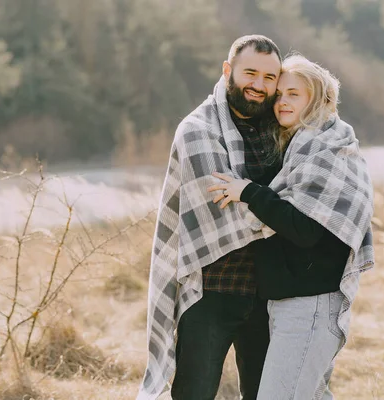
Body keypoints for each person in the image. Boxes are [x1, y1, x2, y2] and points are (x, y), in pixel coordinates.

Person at [208, 54, 375, 399]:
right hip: (293, 305)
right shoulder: (300, 146)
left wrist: (249, 193)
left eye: (294, 94)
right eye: (279, 94)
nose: (282, 101)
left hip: (310, 308)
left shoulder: (325, 148)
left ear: (319, 99)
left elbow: (305, 229)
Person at [137, 35, 284, 400]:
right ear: (227, 70)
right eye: (250, 73)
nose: (259, 86)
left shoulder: (284, 130)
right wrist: (289, 213)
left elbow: (306, 188)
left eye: (270, 77)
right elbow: (228, 210)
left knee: (269, 394)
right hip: (211, 291)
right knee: (193, 393)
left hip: (271, 291)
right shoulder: (197, 130)